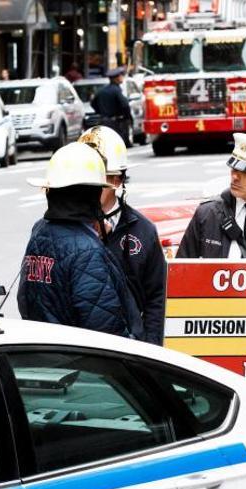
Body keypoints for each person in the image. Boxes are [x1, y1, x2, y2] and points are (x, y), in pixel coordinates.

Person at [18, 142, 142, 338]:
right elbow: (106, 331)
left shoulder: (40, 231)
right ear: (90, 194)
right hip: (79, 362)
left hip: (45, 353)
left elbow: (25, 299)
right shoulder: (86, 250)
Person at [80, 126, 167, 346]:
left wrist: (151, 348)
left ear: (116, 180)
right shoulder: (63, 230)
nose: (88, 187)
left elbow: (156, 298)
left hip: (129, 347)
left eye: (97, 179)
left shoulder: (143, 231)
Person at [92, 67, 133, 148]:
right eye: (121, 76)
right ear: (116, 78)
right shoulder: (116, 90)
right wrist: (127, 117)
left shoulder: (101, 90)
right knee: (118, 145)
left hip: (103, 122)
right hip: (116, 123)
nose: (122, 77)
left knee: (106, 145)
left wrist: (100, 111)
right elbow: (125, 105)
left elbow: (93, 103)